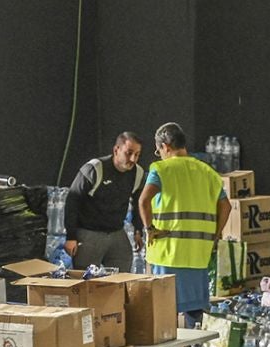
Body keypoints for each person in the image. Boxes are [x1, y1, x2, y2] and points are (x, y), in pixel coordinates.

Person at [139, 123, 230, 329]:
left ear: (165, 146)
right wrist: (215, 236)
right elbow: (226, 206)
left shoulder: (161, 170)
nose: (159, 155)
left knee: (164, 311)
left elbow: (143, 200)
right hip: (198, 255)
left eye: (158, 150)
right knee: (196, 313)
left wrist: (149, 229)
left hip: (167, 254)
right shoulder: (208, 172)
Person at [66, 132, 144, 269]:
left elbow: (139, 203)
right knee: (86, 283)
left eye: (137, 154)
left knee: (124, 279)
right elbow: (72, 200)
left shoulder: (137, 173)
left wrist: (138, 230)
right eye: (129, 153)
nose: (133, 159)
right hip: (89, 233)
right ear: (116, 150)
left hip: (116, 232)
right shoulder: (94, 169)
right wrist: (71, 237)